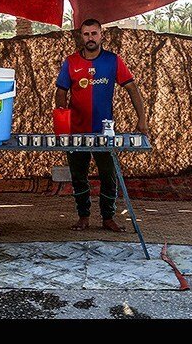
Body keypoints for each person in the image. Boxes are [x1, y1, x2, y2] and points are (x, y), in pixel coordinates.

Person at [55, 18, 149, 232]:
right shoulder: (71, 62)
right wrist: (62, 118)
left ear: (101, 35)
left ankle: (108, 217)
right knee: (78, 176)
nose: (90, 38)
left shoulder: (112, 61)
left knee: (109, 175)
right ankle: (83, 217)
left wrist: (142, 118)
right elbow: (61, 92)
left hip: (104, 132)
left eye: (94, 33)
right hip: (76, 131)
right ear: (81, 36)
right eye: (86, 34)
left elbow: (132, 88)